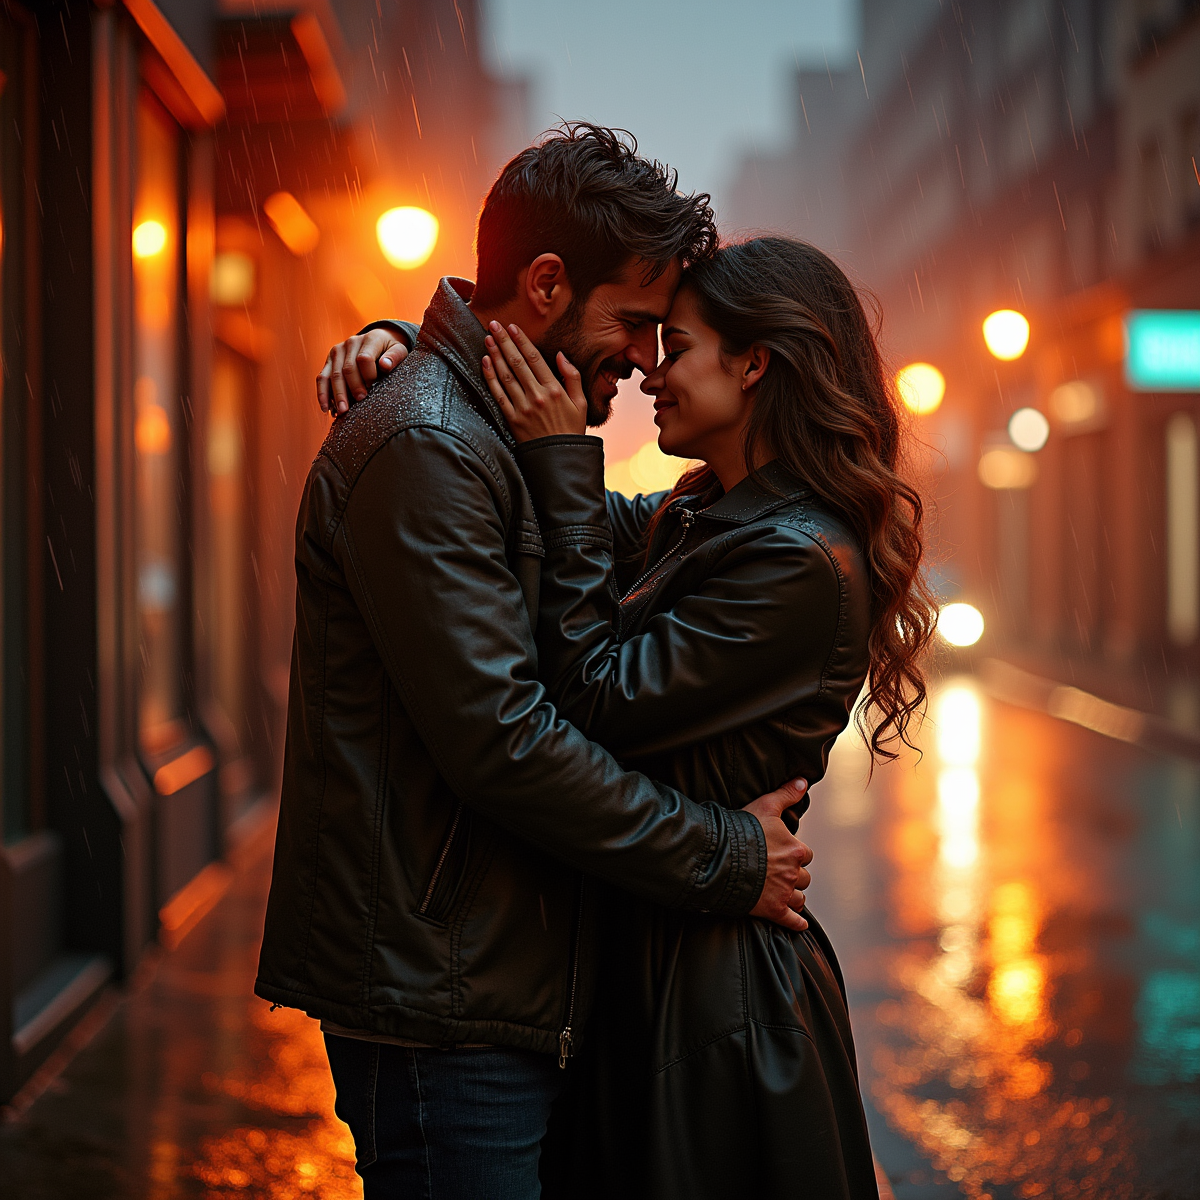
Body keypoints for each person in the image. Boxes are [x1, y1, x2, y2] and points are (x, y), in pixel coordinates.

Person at [256, 124, 816, 1200]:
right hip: (444, 1005)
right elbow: (504, 745)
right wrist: (725, 857)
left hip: (496, 985)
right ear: (548, 283)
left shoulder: (492, 428)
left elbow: (651, 535)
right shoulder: (430, 445)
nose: (646, 360)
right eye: (636, 323)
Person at [472, 235, 935, 1199]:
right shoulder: (705, 514)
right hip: (661, 955)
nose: (647, 374)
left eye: (675, 348)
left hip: (715, 1002)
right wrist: (412, 346)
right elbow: (552, 510)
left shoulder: (797, 560)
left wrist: (561, 453)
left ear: (755, 362)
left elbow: (594, 697)